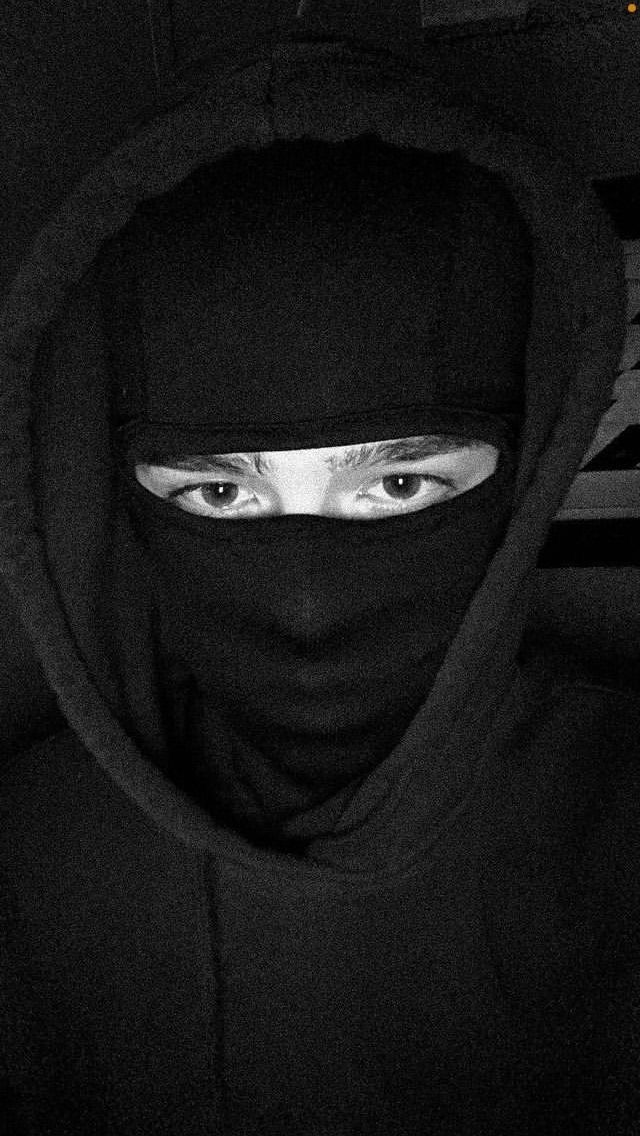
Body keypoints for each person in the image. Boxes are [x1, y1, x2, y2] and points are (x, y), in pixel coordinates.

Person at [1, 43, 638, 1136]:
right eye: (219, 494)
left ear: (524, 474)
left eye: (397, 483)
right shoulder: (29, 856)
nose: (305, 601)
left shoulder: (618, 829)